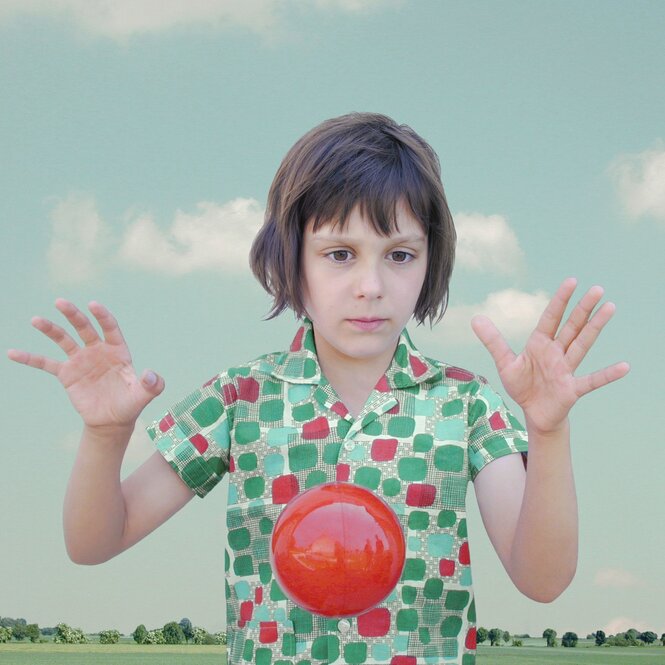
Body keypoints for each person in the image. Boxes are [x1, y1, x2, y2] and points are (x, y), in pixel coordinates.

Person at [7, 112, 629, 665]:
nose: (370, 285)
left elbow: (542, 580)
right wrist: (104, 434)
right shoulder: (237, 398)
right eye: (339, 254)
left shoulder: (467, 406)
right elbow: (93, 543)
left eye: (400, 255)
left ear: (430, 261)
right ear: (289, 260)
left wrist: (548, 432)